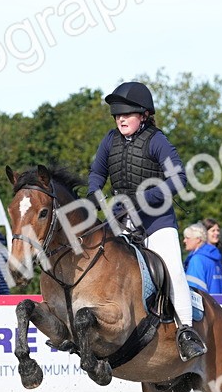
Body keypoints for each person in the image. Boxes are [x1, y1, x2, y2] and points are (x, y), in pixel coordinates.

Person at [87, 81, 205, 360]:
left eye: (126, 114)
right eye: (117, 115)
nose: (120, 119)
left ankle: (186, 331)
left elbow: (179, 179)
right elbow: (96, 174)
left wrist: (143, 199)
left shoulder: (156, 140)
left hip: (156, 221)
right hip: (121, 220)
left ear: (143, 115)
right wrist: (94, 194)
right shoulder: (109, 140)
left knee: (174, 269)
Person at [182, 223, 222, 294]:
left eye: (187, 238)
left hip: (205, 304)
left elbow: (194, 290)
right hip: (218, 302)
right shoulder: (214, 256)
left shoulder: (197, 260)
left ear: (198, 240)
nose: (184, 241)